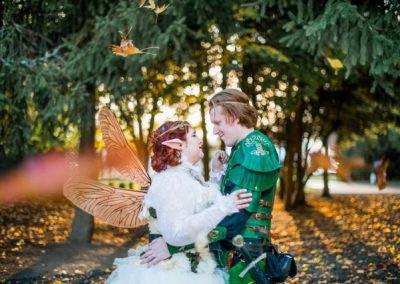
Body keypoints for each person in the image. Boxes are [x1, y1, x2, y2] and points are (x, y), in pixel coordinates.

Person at [143, 89, 282, 283]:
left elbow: (234, 220)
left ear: (233, 116)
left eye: (217, 123)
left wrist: (173, 247)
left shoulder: (254, 150)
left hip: (244, 255)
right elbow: (216, 205)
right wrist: (217, 175)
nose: (215, 131)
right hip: (232, 252)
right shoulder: (241, 148)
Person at [106, 120, 252, 284]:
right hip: (174, 273)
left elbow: (201, 208)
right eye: (194, 135)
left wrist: (216, 174)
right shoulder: (171, 180)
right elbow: (176, 233)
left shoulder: (184, 176)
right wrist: (225, 206)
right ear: (177, 145)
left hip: (193, 267)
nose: (200, 140)